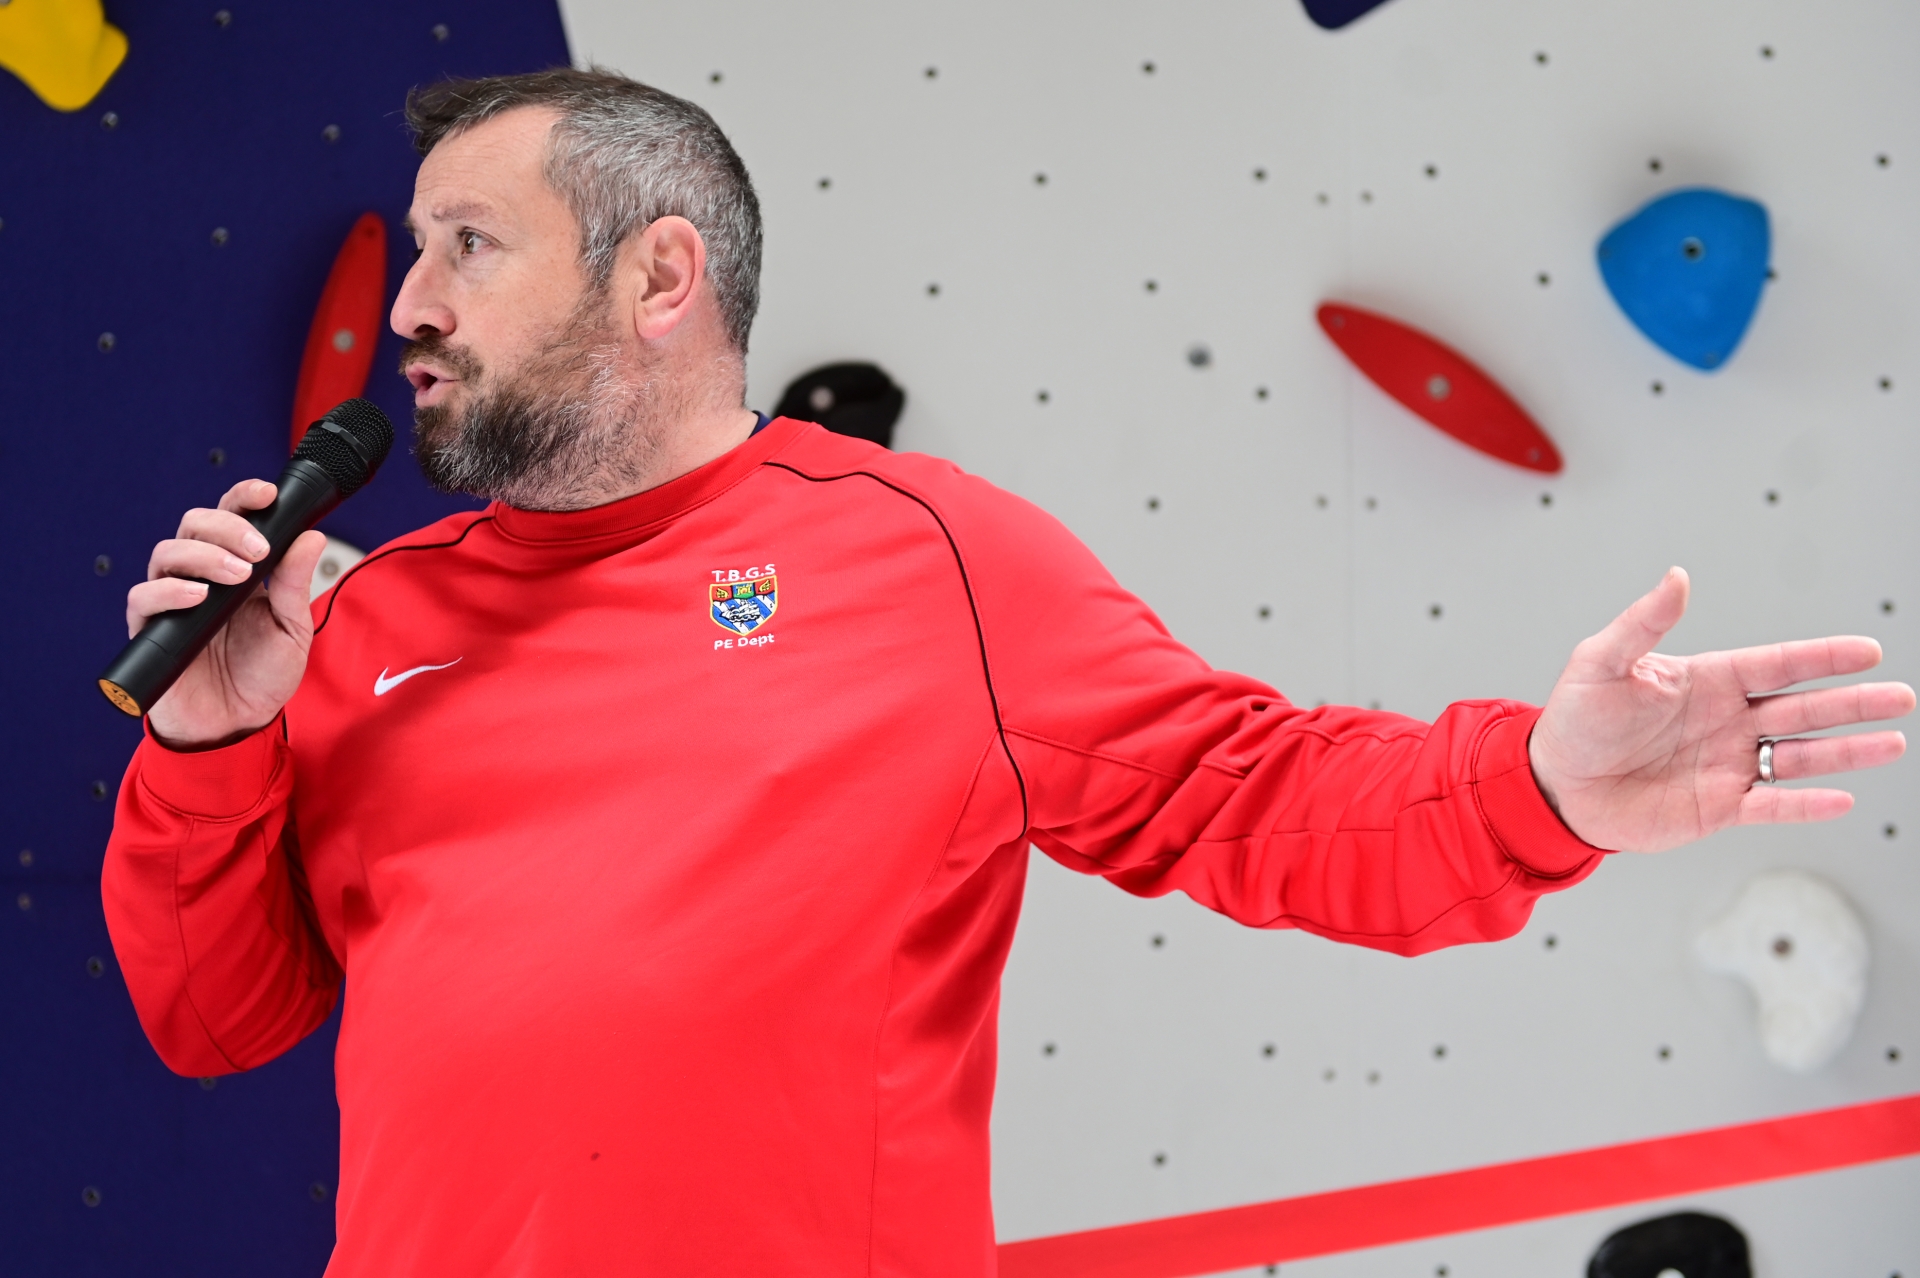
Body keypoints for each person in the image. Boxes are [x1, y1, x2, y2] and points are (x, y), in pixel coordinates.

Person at [101, 69, 1911, 1276]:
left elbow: (1261, 798)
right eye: (415, 249)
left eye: (468, 247)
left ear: (663, 279)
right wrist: (209, 741)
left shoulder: (927, 557)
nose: (413, 300)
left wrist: (1539, 782)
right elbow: (218, 1017)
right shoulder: (366, 621)